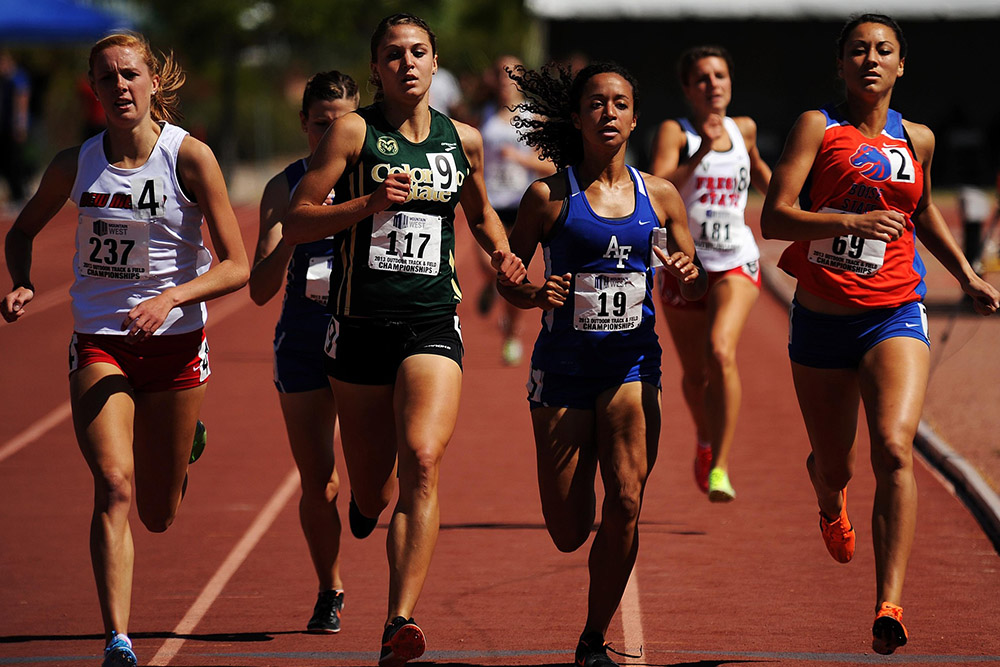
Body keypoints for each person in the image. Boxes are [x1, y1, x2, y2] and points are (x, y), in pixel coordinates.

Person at [282, 13, 526, 667]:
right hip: (359, 328)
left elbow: (479, 214)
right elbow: (298, 220)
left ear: (436, 60)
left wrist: (503, 255)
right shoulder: (354, 132)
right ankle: (366, 505)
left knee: (421, 456)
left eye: (419, 52)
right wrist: (367, 204)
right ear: (375, 69)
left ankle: (399, 619)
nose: (407, 63)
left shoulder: (461, 139)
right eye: (393, 54)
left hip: (429, 321)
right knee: (370, 488)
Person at [1, 32, 249, 667]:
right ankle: (118, 638)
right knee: (113, 483)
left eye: (129, 74)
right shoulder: (75, 163)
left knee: (159, 513)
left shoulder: (190, 157)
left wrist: (171, 298)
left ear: (152, 81)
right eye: (106, 78)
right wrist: (23, 281)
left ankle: (184, 444)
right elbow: (22, 230)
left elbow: (237, 265)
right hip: (100, 346)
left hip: (175, 349)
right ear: (94, 88)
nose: (119, 87)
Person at [759, 14, 999, 655]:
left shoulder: (915, 138)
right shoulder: (819, 126)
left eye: (883, 50)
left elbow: (919, 211)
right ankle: (827, 494)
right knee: (835, 461)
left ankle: (889, 603)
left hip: (894, 311)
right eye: (858, 50)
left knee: (894, 448)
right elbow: (776, 216)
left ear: (901, 65)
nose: (870, 59)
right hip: (820, 319)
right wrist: (846, 222)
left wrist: (969, 275)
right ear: (840, 64)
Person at [498, 62, 706, 667]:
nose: (608, 113)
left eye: (619, 103)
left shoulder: (660, 197)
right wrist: (533, 292)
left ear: (634, 117)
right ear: (576, 116)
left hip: (632, 363)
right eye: (595, 103)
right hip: (562, 370)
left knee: (627, 501)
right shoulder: (547, 198)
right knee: (569, 530)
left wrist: (690, 278)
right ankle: (584, 536)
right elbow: (511, 278)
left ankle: (592, 638)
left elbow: (692, 284)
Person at [248, 71, 359, 634]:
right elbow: (260, 289)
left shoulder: (379, 180)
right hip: (305, 341)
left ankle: (371, 497)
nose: (333, 134)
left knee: (374, 482)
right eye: (322, 124)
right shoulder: (283, 187)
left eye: (344, 123)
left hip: (367, 338)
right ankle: (329, 588)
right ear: (304, 124)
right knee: (320, 481)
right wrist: (291, 235)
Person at [649, 46, 771, 502]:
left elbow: (760, 174)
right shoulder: (675, 132)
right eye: (702, 78)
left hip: (736, 258)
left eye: (720, 75)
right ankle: (704, 439)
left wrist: (797, 203)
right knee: (696, 375)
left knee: (721, 352)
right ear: (688, 89)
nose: (713, 84)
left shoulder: (745, 129)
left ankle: (720, 465)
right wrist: (700, 151)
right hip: (684, 264)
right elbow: (659, 188)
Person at [477, 55, 555, 365]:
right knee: (488, 265)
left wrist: (519, 159)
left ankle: (512, 332)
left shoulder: (533, 117)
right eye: (500, 73)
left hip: (522, 204)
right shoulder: (484, 116)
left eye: (512, 74)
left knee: (512, 272)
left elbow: (549, 165)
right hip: (491, 201)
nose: (505, 80)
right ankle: (491, 287)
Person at [0, 49, 31, 207]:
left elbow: (22, 100)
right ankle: (15, 194)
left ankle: (19, 195)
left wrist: (20, 124)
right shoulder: (5, 80)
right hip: (5, 127)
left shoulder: (17, 78)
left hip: (14, 127)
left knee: (15, 161)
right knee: (7, 161)